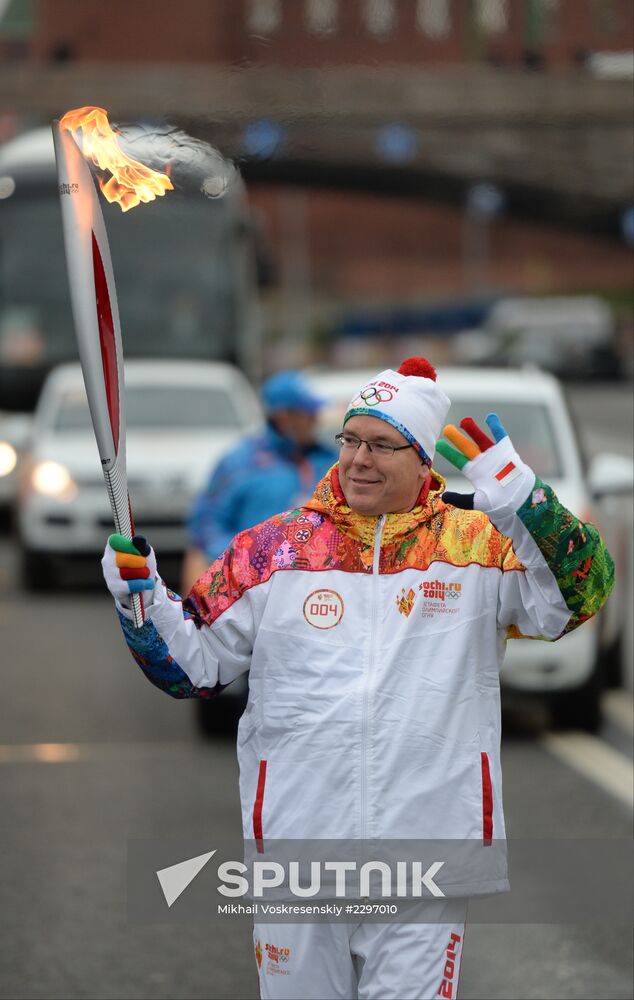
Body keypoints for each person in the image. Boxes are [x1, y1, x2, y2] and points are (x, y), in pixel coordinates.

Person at [102, 358, 614, 1000]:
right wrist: (139, 601)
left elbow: (583, 595)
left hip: (429, 858)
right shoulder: (274, 551)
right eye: (350, 440)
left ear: (423, 459)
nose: (358, 460)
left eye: (380, 444)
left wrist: (526, 501)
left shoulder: (477, 548)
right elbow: (191, 668)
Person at [180, 369, 337, 592]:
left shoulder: (330, 460)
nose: (316, 419)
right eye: (308, 413)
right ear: (284, 417)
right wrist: (249, 559)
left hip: (315, 583)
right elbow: (205, 527)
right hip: (248, 585)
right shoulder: (240, 462)